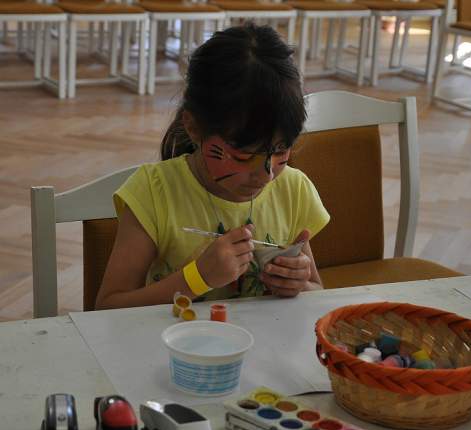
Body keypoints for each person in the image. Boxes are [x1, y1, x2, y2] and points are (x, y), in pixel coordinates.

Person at [95, 24, 330, 309]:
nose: (266, 176)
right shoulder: (153, 192)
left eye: (281, 151)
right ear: (194, 127)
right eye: (243, 156)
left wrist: (298, 284)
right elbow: (108, 307)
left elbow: (317, 291)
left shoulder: (293, 190)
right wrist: (197, 278)